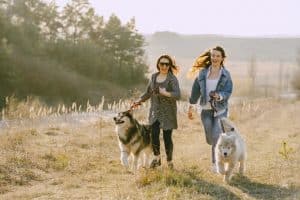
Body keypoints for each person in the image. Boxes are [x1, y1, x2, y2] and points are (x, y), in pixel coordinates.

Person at [187, 46, 233, 172]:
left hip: (220, 110)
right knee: (209, 137)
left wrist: (219, 96)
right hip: (205, 109)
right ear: (210, 57)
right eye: (213, 55)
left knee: (216, 136)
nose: (215, 58)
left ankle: (215, 164)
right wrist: (191, 106)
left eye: (218, 56)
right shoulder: (202, 73)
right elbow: (195, 90)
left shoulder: (225, 74)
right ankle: (214, 144)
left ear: (222, 58)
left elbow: (228, 91)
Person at [133, 55, 181, 169]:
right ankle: (157, 158)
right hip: (155, 112)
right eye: (162, 64)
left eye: (166, 64)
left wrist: (165, 93)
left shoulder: (172, 79)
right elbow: (148, 92)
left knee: (167, 138)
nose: (164, 66)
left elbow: (177, 95)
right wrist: (139, 101)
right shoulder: (154, 77)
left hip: (168, 113)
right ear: (158, 64)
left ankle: (169, 161)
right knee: (154, 135)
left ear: (169, 66)